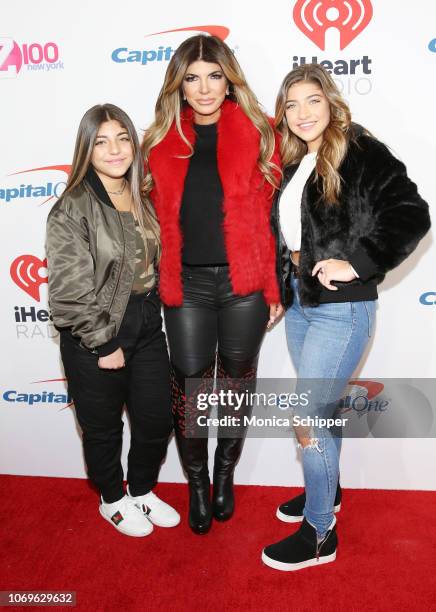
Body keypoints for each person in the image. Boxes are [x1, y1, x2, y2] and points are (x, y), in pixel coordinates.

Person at [262, 64, 430, 570]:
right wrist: (278, 287)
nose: (301, 113)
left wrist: (356, 262)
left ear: (331, 101)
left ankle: (319, 533)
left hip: (344, 308)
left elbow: (411, 212)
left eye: (312, 100)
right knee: (323, 411)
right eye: (291, 105)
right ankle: (327, 494)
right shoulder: (295, 161)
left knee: (307, 414)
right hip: (301, 302)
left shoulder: (358, 150)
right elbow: (288, 236)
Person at [142, 34, 283, 534]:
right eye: (192, 79)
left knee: (237, 381)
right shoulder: (159, 142)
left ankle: (226, 474)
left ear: (229, 81)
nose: (203, 88)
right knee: (193, 388)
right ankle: (197, 484)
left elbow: (270, 219)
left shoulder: (261, 134)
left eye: (214, 76)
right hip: (187, 286)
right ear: (179, 86)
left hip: (243, 282)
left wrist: (272, 287)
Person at [46, 104, 180, 537]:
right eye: (101, 141)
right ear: (87, 148)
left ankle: (141, 489)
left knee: (157, 417)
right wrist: (103, 344)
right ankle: (112, 498)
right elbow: (68, 291)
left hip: (145, 321)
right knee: (102, 427)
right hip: (95, 332)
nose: (115, 149)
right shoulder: (73, 207)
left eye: (122, 137)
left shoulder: (143, 194)